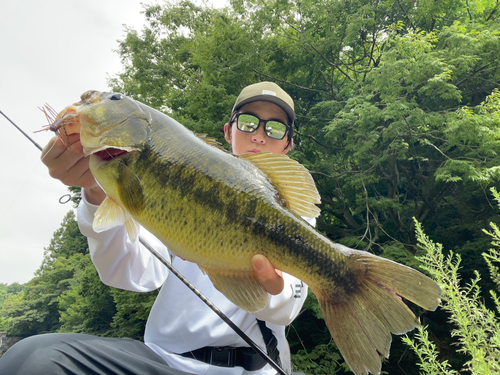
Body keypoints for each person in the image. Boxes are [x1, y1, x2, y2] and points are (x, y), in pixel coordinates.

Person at [0, 82, 314, 375]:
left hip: (254, 369)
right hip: (163, 363)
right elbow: (132, 273)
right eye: (248, 121)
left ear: (287, 144)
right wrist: (96, 191)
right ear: (229, 131)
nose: (259, 134)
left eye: (274, 128)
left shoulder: (293, 213)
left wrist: (274, 289)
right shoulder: (175, 177)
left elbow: (286, 308)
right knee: (31, 360)